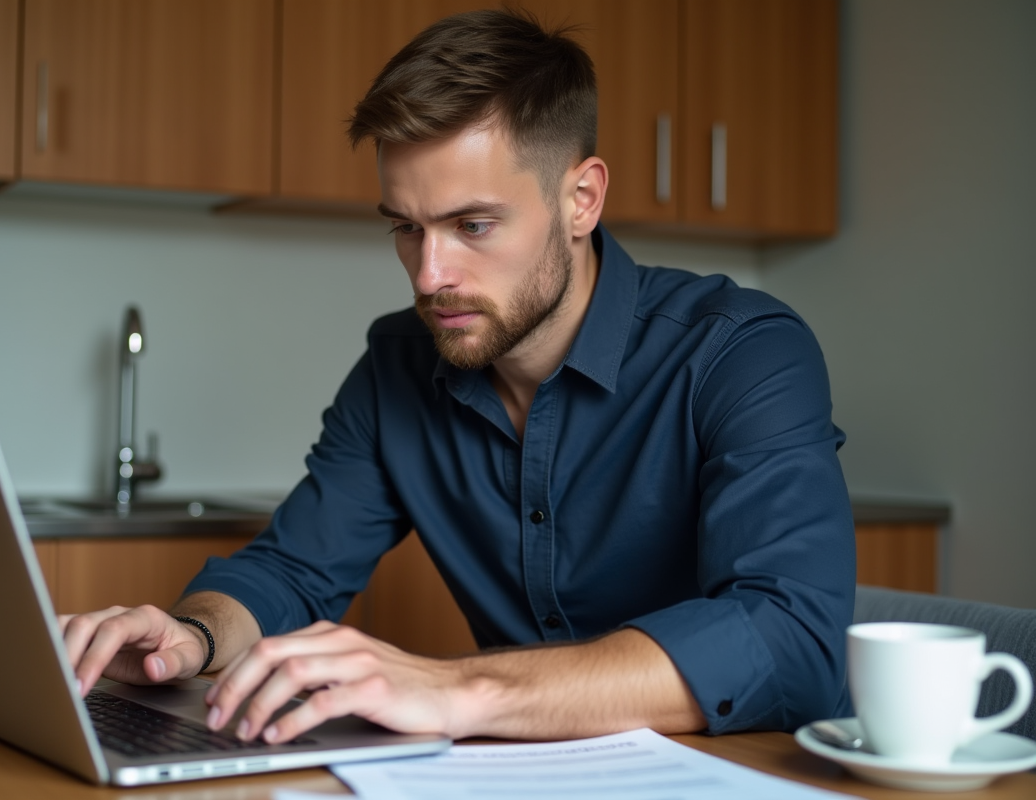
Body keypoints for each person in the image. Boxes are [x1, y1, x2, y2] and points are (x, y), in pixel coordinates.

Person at [62, 9, 854, 745]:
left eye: (473, 225)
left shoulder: (742, 353)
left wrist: (461, 689)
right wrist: (191, 638)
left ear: (580, 199)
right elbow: (292, 570)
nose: (430, 274)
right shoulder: (398, 367)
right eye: (406, 229)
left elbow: (789, 641)